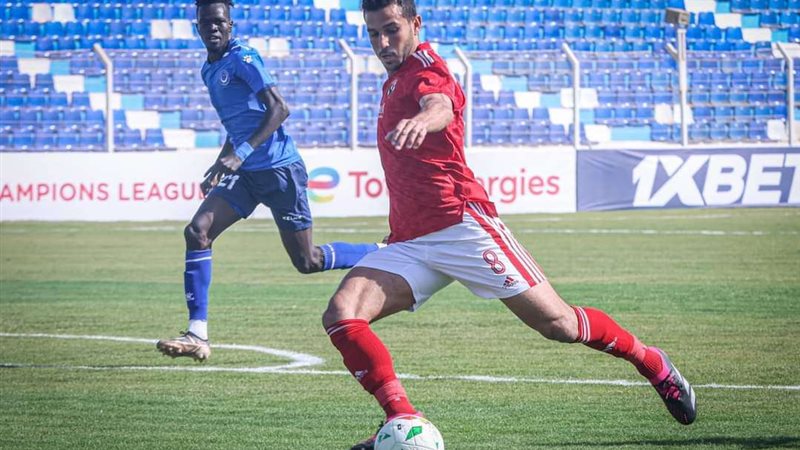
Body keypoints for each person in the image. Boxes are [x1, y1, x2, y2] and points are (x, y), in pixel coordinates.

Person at [321, 1, 698, 448]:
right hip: (412, 240)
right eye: (373, 34)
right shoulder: (393, 78)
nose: (382, 42)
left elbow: (439, 104)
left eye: (391, 29)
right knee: (343, 314)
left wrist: (424, 120)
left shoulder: (427, 68)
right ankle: (402, 419)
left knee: (559, 324)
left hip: (462, 225)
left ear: (415, 24)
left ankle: (652, 363)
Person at [156, 0, 380, 362]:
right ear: (197, 27)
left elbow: (279, 108)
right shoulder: (209, 69)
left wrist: (239, 154)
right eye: (206, 23)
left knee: (307, 261)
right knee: (198, 231)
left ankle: (380, 252)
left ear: (230, 25)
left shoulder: (243, 58)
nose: (213, 28)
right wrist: (221, 161)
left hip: (279, 171)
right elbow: (238, 123)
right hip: (246, 175)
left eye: (219, 22)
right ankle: (197, 334)